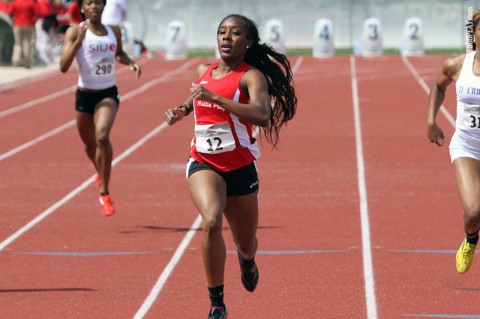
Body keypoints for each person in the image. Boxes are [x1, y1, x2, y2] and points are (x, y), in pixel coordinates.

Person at [164, 14, 297, 319]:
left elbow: (262, 115)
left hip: (240, 168)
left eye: (235, 33)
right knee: (211, 220)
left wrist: (216, 98)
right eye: (222, 32)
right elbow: (197, 92)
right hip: (203, 162)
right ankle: (217, 304)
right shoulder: (206, 71)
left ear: (247, 42)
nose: (226, 37)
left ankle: (247, 260)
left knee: (246, 242)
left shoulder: (251, 77)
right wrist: (182, 110)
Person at [59, 0, 141, 216]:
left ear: (104, 7)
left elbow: (119, 53)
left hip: (107, 93)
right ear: (82, 8)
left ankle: (104, 191)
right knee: (89, 146)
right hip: (84, 95)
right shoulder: (74, 31)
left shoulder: (113, 30)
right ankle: (100, 170)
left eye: (98, 3)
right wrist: (77, 43)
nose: (94, 6)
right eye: (89, 3)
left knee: (102, 137)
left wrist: (130, 62)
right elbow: (63, 66)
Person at [428, 8, 480, 274]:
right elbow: (438, 86)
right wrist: (431, 121)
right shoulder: (457, 65)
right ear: (475, 33)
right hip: (468, 147)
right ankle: (471, 240)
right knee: (473, 214)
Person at [8, 0, 37, 68]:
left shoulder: (15, 2)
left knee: (17, 43)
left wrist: (13, 21)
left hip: (17, 24)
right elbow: (36, 13)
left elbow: (10, 13)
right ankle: (27, 61)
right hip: (28, 23)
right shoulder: (30, 2)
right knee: (26, 42)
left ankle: (15, 60)